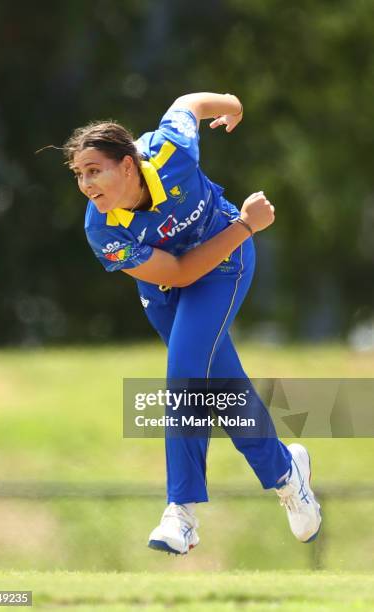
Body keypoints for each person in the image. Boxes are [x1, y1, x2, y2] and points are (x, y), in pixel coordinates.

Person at [64, 92, 322, 555]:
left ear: (128, 165)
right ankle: (286, 472)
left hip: (224, 261)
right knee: (221, 387)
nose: (86, 184)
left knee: (185, 372)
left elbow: (189, 102)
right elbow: (179, 274)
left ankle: (180, 511)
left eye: (94, 170)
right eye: (79, 174)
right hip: (170, 286)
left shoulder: (171, 149)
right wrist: (248, 224)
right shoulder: (101, 230)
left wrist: (234, 106)